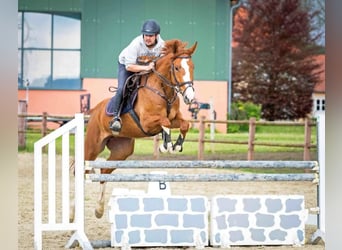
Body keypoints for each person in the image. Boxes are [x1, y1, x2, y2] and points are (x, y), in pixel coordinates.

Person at [109, 19, 165, 132]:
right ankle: (116, 117)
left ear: (157, 36)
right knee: (122, 88)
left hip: (146, 65)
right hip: (128, 65)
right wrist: (146, 68)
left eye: (151, 35)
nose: (147, 38)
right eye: (145, 35)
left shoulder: (162, 45)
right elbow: (129, 67)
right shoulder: (136, 44)